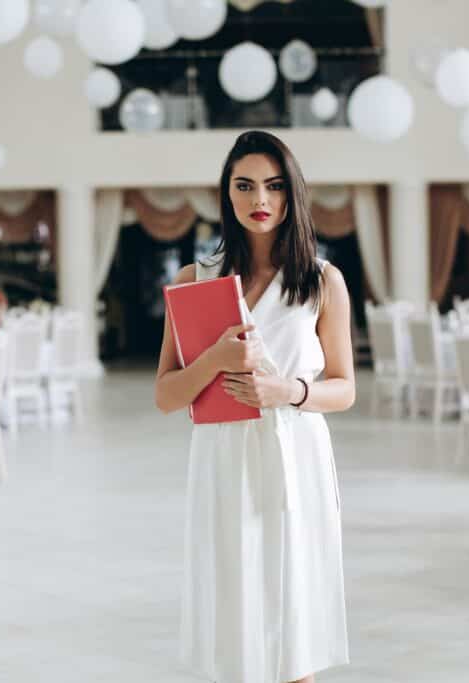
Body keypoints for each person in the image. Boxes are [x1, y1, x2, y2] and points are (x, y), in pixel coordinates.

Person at [155, 130, 355, 683]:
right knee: (235, 610)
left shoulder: (320, 281)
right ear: (227, 194)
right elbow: (167, 394)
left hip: (296, 455)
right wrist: (215, 359)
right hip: (224, 458)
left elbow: (344, 387)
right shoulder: (197, 279)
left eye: (272, 186)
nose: (259, 200)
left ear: (291, 194)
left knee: (294, 618)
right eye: (244, 186)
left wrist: (288, 391)